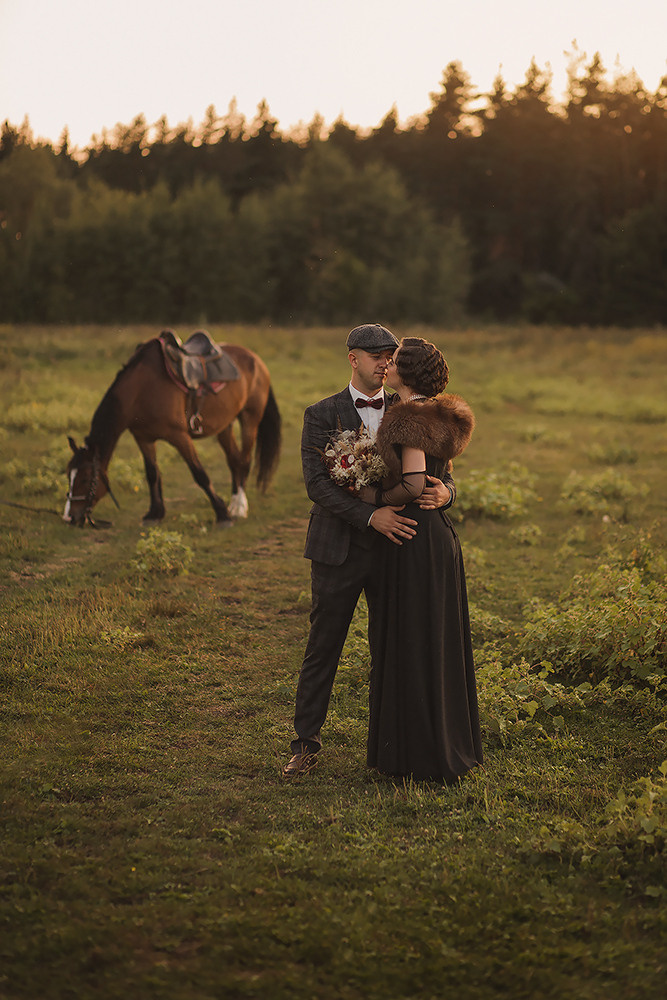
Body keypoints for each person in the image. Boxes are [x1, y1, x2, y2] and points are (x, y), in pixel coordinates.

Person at [283, 324, 455, 778]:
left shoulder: (411, 407)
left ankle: (388, 747)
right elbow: (317, 485)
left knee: (392, 647)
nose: (383, 362)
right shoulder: (321, 414)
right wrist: (369, 515)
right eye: (374, 355)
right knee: (324, 646)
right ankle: (305, 743)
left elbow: (442, 469)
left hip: (397, 553)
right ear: (352, 359)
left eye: (389, 355)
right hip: (337, 549)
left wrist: (448, 494)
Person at [357, 337, 482, 782]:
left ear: (403, 373)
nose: (385, 365)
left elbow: (412, 484)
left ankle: (418, 756)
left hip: (413, 536)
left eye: (393, 361)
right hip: (441, 539)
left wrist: (372, 496)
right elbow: (440, 475)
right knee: (438, 639)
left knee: (413, 638)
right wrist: (447, 491)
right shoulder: (443, 413)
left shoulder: (406, 416)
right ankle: (446, 742)